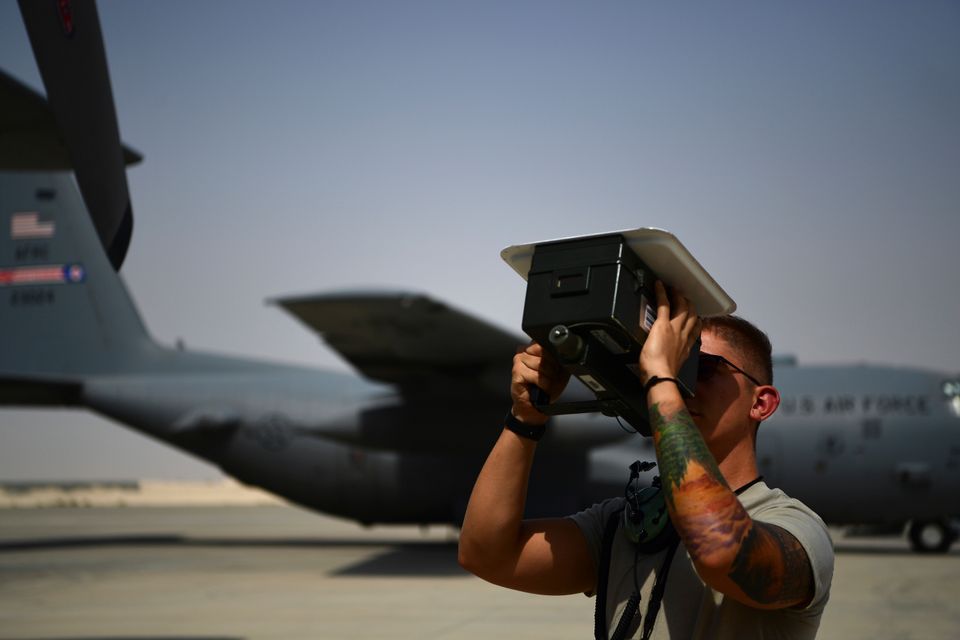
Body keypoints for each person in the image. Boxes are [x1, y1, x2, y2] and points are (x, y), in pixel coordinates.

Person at [458, 282, 834, 639]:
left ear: (761, 403)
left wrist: (659, 378)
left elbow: (720, 551)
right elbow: (486, 555)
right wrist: (525, 418)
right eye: (678, 367)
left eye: (700, 368)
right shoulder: (628, 524)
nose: (683, 383)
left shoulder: (796, 528)